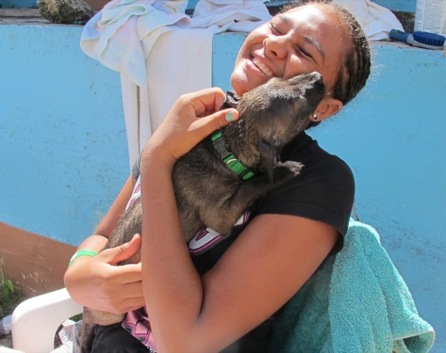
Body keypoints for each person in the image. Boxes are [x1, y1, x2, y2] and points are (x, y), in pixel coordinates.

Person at [64, 0, 371, 352]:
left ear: (324, 107)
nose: (274, 44)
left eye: (304, 50)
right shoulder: (196, 122)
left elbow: (184, 342)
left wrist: (158, 158)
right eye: (275, 27)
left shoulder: (317, 180)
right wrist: (79, 276)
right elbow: (104, 235)